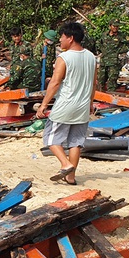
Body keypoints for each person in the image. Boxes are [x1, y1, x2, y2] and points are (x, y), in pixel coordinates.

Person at [35, 21, 98, 186]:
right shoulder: (91, 57)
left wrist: (43, 105)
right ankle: (70, 177)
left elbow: (55, 82)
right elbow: (93, 83)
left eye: (62, 37)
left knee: (50, 138)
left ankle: (66, 164)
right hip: (83, 105)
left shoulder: (64, 57)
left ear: (70, 38)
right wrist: (91, 103)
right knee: (75, 142)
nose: (60, 41)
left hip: (66, 105)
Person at [96, 22, 128, 92]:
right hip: (104, 61)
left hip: (113, 62)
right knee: (100, 80)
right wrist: (101, 49)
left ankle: (110, 97)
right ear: (110, 26)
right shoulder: (104, 34)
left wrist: (119, 50)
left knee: (112, 81)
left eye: (117, 26)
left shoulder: (121, 36)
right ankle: (99, 95)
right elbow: (98, 42)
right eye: (114, 26)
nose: (115, 28)